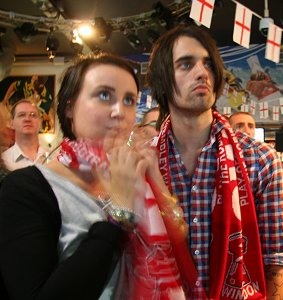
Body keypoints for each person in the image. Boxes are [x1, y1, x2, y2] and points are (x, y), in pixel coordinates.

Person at [0, 54, 174, 299]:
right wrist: (118, 214)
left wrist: (155, 178)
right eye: (104, 95)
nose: (120, 112)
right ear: (70, 106)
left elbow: (177, 246)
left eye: (129, 100)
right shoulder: (26, 189)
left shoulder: (132, 174)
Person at [146, 24, 283, 299]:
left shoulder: (259, 160)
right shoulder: (144, 161)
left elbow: (273, 264)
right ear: (163, 79)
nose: (202, 73)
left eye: (208, 64)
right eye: (186, 64)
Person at [1, 99, 46, 170]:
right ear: (11, 123)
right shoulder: (4, 161)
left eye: (33, 115)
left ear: (40, 123)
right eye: (21, 115)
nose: (27, 119)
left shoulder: (55, 158)